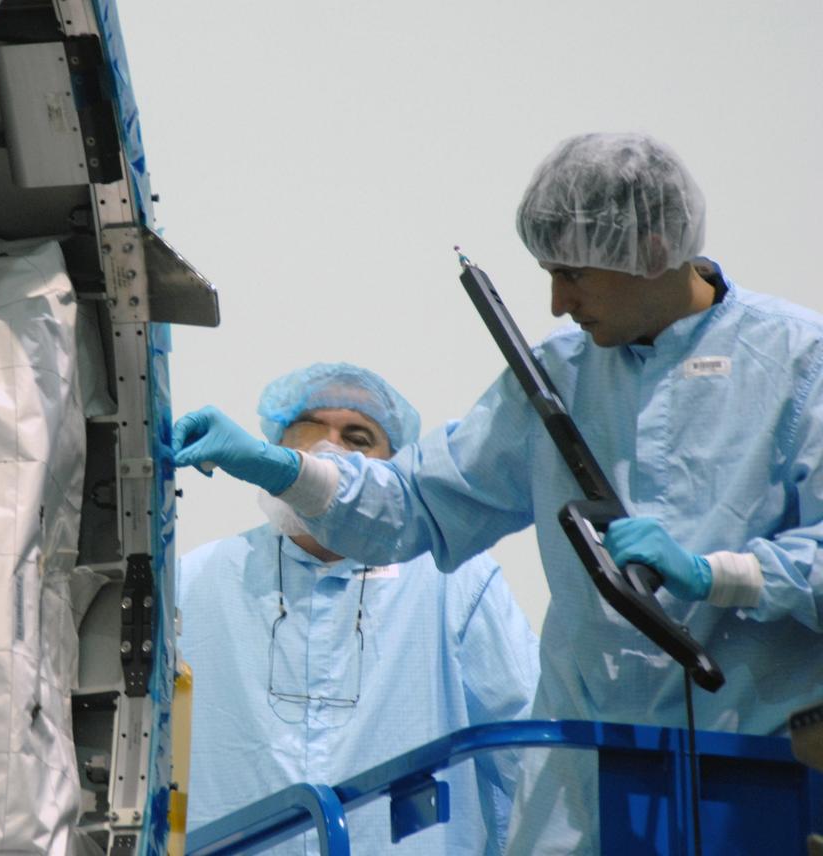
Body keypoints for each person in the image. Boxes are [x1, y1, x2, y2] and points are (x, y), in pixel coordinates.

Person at [172, 133, 823, 853]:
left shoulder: (799, 362)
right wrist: (278, 468)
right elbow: (416, 501)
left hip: (759, 772)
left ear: (653, 246)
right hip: (583, 795)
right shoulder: (558, 378)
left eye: (573, 273)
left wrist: (720, 574)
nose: (556, 301)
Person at [180, 363, 539, 855]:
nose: (329, 450)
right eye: (308, 428)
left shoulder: (454, 584)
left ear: (393, 477)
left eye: (358, 437)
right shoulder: (195, 581)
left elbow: (529, 756)